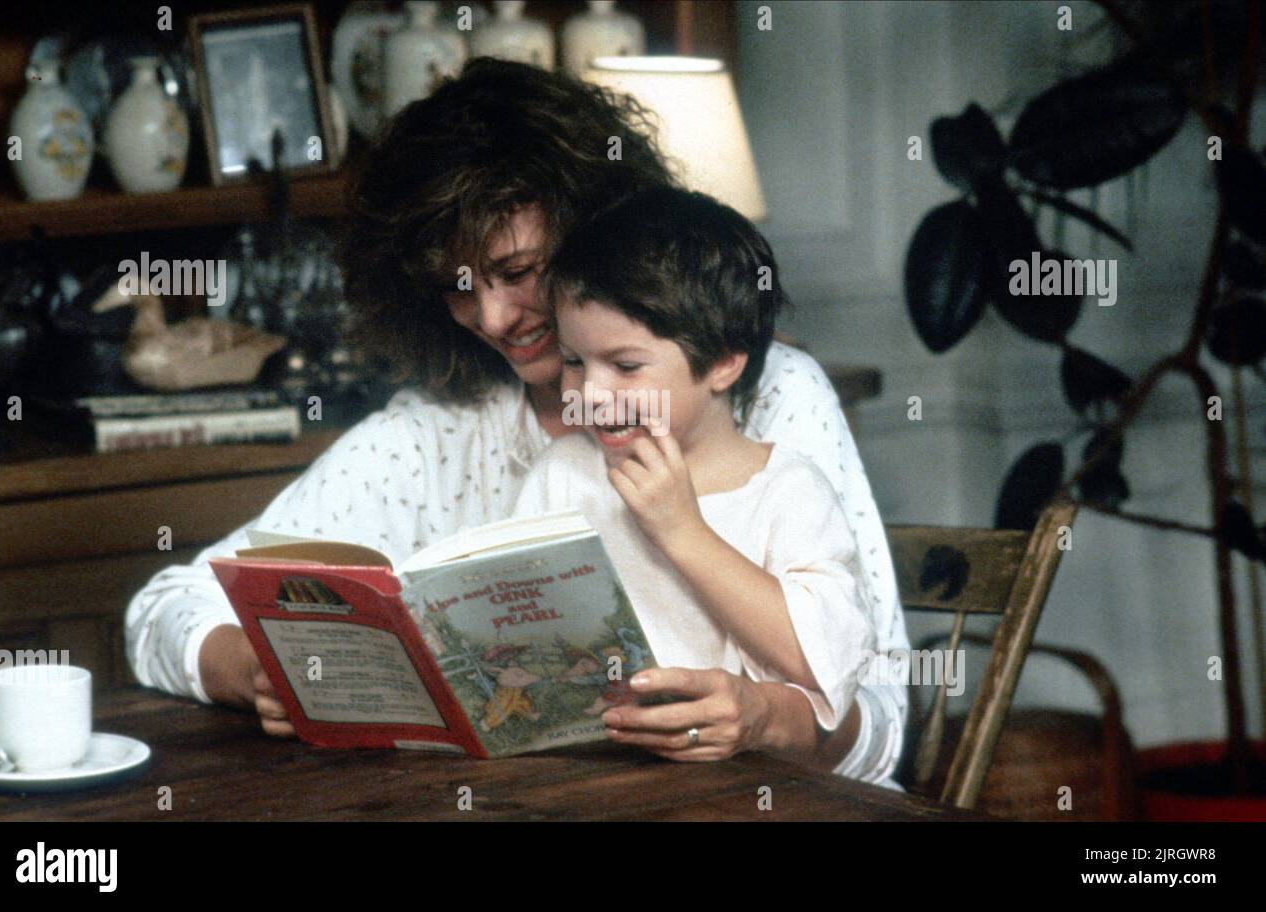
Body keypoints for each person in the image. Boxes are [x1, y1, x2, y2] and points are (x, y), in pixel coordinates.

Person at [124, 58, 909, 784]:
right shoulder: (435, 433)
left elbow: (880, 724)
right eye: (459, 287)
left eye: (519, 272)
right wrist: (253, 669)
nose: (494, 317)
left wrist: (770, 718)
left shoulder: (775, 401)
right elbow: (163, 608)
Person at [511, 186, 878, 767]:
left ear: (725, 361)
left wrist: (682, 531)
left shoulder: (786, 491)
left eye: (626, 366)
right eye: (576, 361)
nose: (591, 394)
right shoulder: (563, 474)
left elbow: (822, 664)